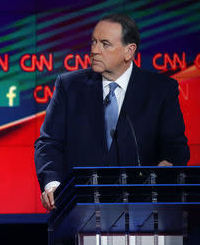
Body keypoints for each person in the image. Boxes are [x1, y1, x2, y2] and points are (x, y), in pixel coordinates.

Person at [35, 13, 190, 211]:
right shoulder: (70, 86)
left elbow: (176, 146)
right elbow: (48, 143)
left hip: (144, 209)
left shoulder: (161, 89)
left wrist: (168, 164)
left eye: (105, 44)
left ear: (129, 51)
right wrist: (53, 184)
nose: (95, 51)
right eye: (94, 42)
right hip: (80, 206)